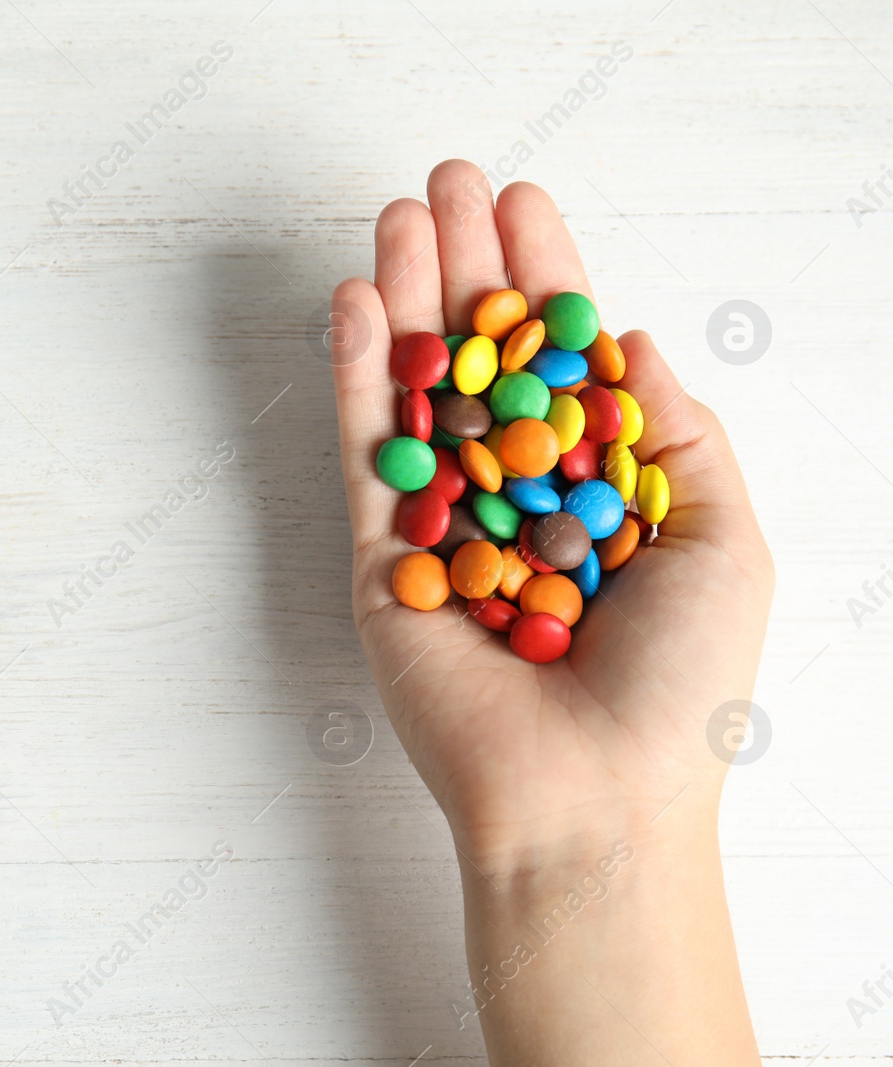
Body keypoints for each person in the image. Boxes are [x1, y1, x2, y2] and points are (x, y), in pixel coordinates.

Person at [328, 159, 773, 1065]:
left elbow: (532, 476)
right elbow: (483, 475)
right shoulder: (489, 485)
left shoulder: (559, 487)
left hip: (542, 556)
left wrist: (594, 830)